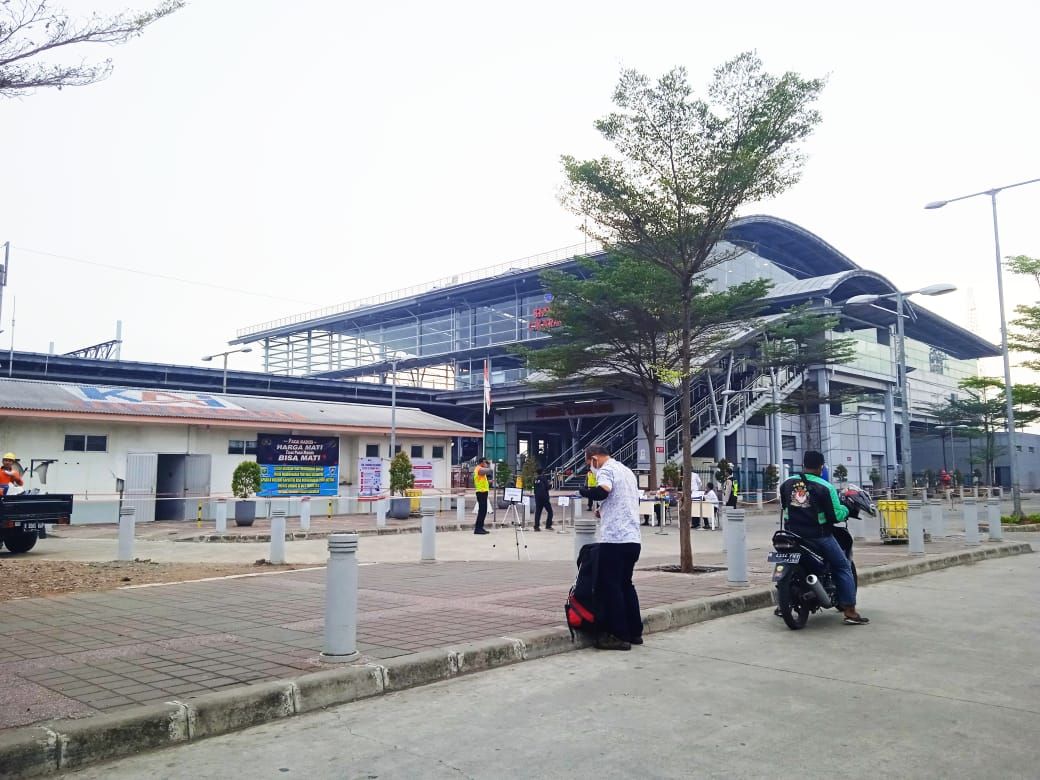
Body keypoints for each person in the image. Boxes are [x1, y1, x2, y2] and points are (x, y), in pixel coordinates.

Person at [779, 450, 869, 625]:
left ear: (804, 464)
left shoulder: (787, 483)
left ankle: (782, 605)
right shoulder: (825, 487)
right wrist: (847, 510)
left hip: (791, 534)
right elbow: (835, 515)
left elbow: (785, 506)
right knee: (843, 566)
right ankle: (850, 611)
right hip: (818, 536)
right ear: (821, 467)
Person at [578, 443, 642, 651]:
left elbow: (603, 491)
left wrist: (585, 491)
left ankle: (619, 635)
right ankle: (635, 632)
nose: (591, 468)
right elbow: (622, 500)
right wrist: (603, 511)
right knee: (626, 584)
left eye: (590, 464)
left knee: (611, 586)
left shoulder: (605, 470)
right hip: (633, 539)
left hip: (614, 539)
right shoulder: (626, 471)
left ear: (594, 458)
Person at [473, 458, 492, 535]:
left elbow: (483, 479)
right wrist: (489, 465)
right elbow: (487, 471)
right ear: (481, 463)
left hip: (483, 492)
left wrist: (489, 482)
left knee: (483, 511)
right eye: (485, 462)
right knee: (482, 511)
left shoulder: (481, 469)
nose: (486, 463)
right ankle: (478, 528)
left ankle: (480, 527)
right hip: (481, 492)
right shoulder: (479, 469)